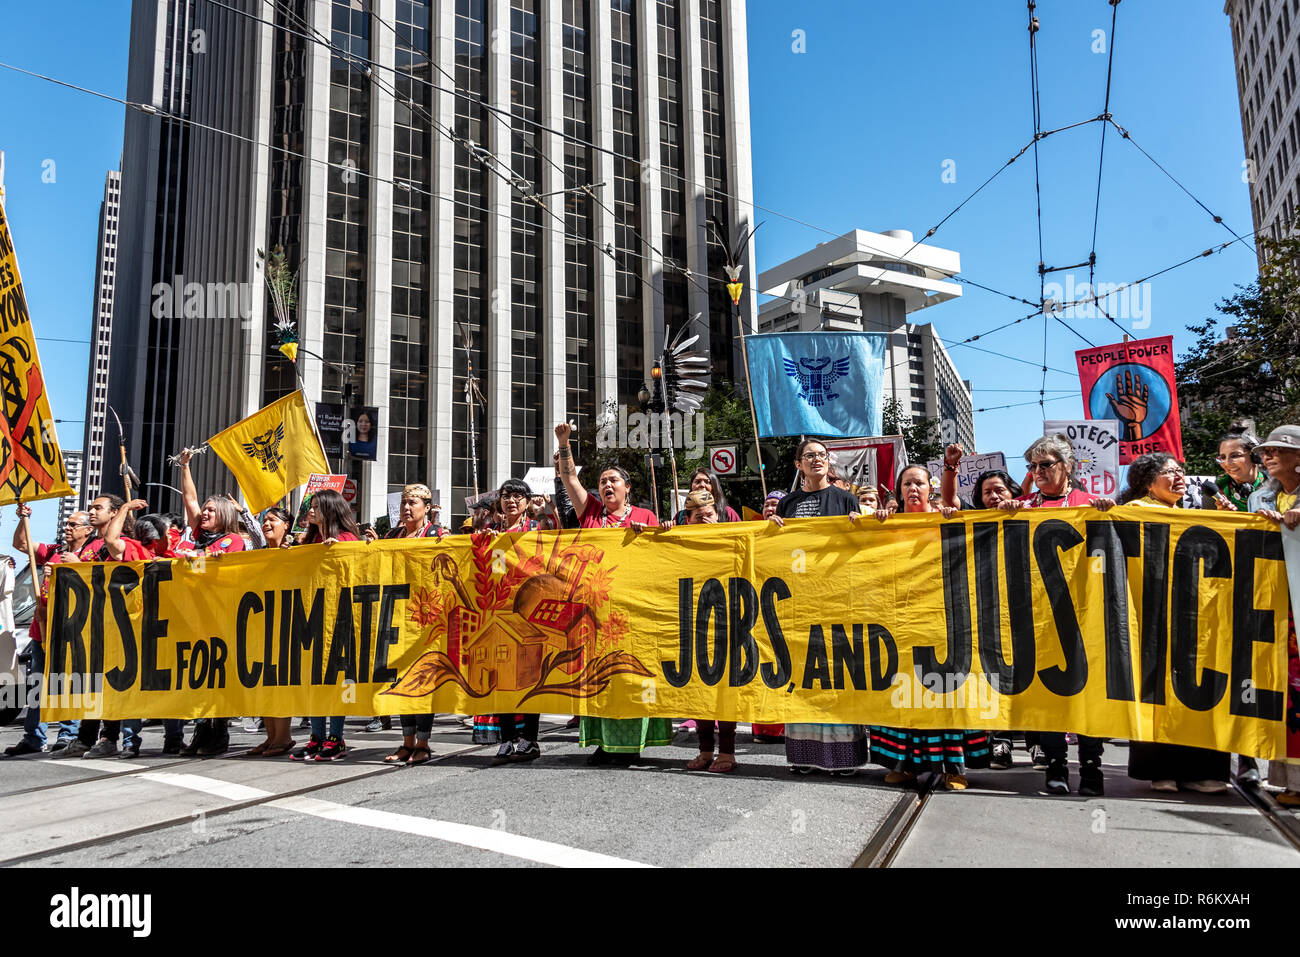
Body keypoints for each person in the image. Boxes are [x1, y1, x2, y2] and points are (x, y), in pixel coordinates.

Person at [1103, 454, 1232, 793]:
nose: (1179, 477)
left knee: (1198, 692)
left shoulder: (1194, 516)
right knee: (1156, 694)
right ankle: (1162, 771)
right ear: (1147, 481)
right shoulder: (1128, 515)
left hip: (1193, 621)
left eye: (1181, 471)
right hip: (1148, 620)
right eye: (1170, 472)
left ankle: (1200, 770)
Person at [554, 421, 671, 766]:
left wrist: (657, 531)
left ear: (627, 488)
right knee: (602, 676)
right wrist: (564, 442)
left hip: (635, 614)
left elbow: (663, 555)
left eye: (613, 480)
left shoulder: (645, 516)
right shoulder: (590, 513)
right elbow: (569, 478)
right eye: (603, 481)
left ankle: (634, 743)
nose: (606, 485)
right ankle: (604, 743)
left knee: (630, 675)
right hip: (596, 614)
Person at [997, 434, 1106, 794]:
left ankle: (1092, 768)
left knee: (1088, 692)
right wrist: (1004, 516)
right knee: (1048, 693)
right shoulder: (1022, 504)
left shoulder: (1092, 504)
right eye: (1032, 466)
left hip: (1085, 615)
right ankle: (1055, 766)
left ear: (1067, 466)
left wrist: (1110, 516)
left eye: (1045, 464)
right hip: (1038, 616)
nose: (1037, 471)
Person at [869, 464, 989, 790]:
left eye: (919, 483)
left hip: (944, 620)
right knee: (904, 693)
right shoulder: (887, 525)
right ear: (899, 491)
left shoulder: (945, 518)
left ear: (929, 488)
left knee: (944, 692)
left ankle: (954, 767)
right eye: (907, 483)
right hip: (900, 622)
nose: (913, 488)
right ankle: (905, 765)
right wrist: (864, 523)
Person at [770, 439, 870, 775]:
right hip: (799, 600)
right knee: (802, 674)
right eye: (810, 456)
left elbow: (861, 547)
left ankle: (844, 758)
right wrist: (773, 532)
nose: (817, 460)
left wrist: (861, 526)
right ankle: (803, 755)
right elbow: (778, 552)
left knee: (838, 672)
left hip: (838, 598)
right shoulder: (788, 503)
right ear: (798, 464)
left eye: (822, 455)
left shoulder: (845, 500)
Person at [53, 494, 152, 760]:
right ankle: (86, 738)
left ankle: (121, 739)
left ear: (115, 513)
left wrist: (129, 508)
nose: (92, 511)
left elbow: (111, 545)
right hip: (98, 625)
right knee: (94, 684)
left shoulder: (126, 544)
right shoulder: (93, 548)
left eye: (99, 508)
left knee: (120, 685)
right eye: (91, 507)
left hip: (125, 629)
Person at [5, 506, 94, 756]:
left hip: (72, 629)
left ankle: (68, 734)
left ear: (88, 530)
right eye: (66, 523)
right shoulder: (53, 551)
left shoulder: (92, 554)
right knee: (38, 684)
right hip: (42, 628)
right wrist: (25, 518)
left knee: (68, 682)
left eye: (73, 525)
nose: (67, 528)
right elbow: (21, 543)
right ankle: (33, 736)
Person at [1248, 425, 1300, 807]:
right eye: (1265, 451)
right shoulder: (1259, 498)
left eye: (1277, 451)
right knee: (1284, 692)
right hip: (1276, 608)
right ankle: (1289, 779)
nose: (1268, 456)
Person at [291, 489, 361, 761]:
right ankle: (316, 736)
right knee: (313, 680)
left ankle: (336, 736)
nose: (310, 511)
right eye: (310, 507)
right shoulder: (309, 540)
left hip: (339, 618)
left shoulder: (346, 539)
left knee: (334, 680)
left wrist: (342, 551)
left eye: (316, 507)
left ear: (330, 510)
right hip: (310, 618)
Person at [675, 490, 740, 773]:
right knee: (699, 690)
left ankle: (727, 753)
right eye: (697, 516)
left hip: (727, 623)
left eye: (709, 515)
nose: (704, 520)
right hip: (693, 623)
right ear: (687, 521)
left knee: (725, 690)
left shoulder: (734, 540)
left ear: (719, 516)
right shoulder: (679, 544)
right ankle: (704, 750)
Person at [1203, 426, 1265, 511]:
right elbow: (1206, 523)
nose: (1227, 463)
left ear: (1255, 456)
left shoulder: (1275, 486)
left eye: (1235, 456)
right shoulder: (1215, 490)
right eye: (1223, 457)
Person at [672, 469, 740, 524]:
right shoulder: (680, 517)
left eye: (707, 482)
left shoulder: (727, 513)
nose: (702, 485)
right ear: (688, 519)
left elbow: (740, 536)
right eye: (697, 482)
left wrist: (719, 530)